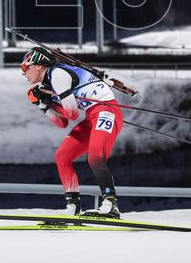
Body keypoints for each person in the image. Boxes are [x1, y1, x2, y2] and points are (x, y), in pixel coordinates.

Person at [21, 46, 123, 218]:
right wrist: (44, 105)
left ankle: (110, 203)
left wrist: (53, 102)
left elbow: (72, 114)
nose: (23, 73)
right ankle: (73, 206)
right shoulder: (49, 82)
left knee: (95, 156)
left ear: (38, 66)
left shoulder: (58, 74)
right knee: (62, 156)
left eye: (25, 67)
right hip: (92, 116)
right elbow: (63, 122)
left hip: (106, 111)